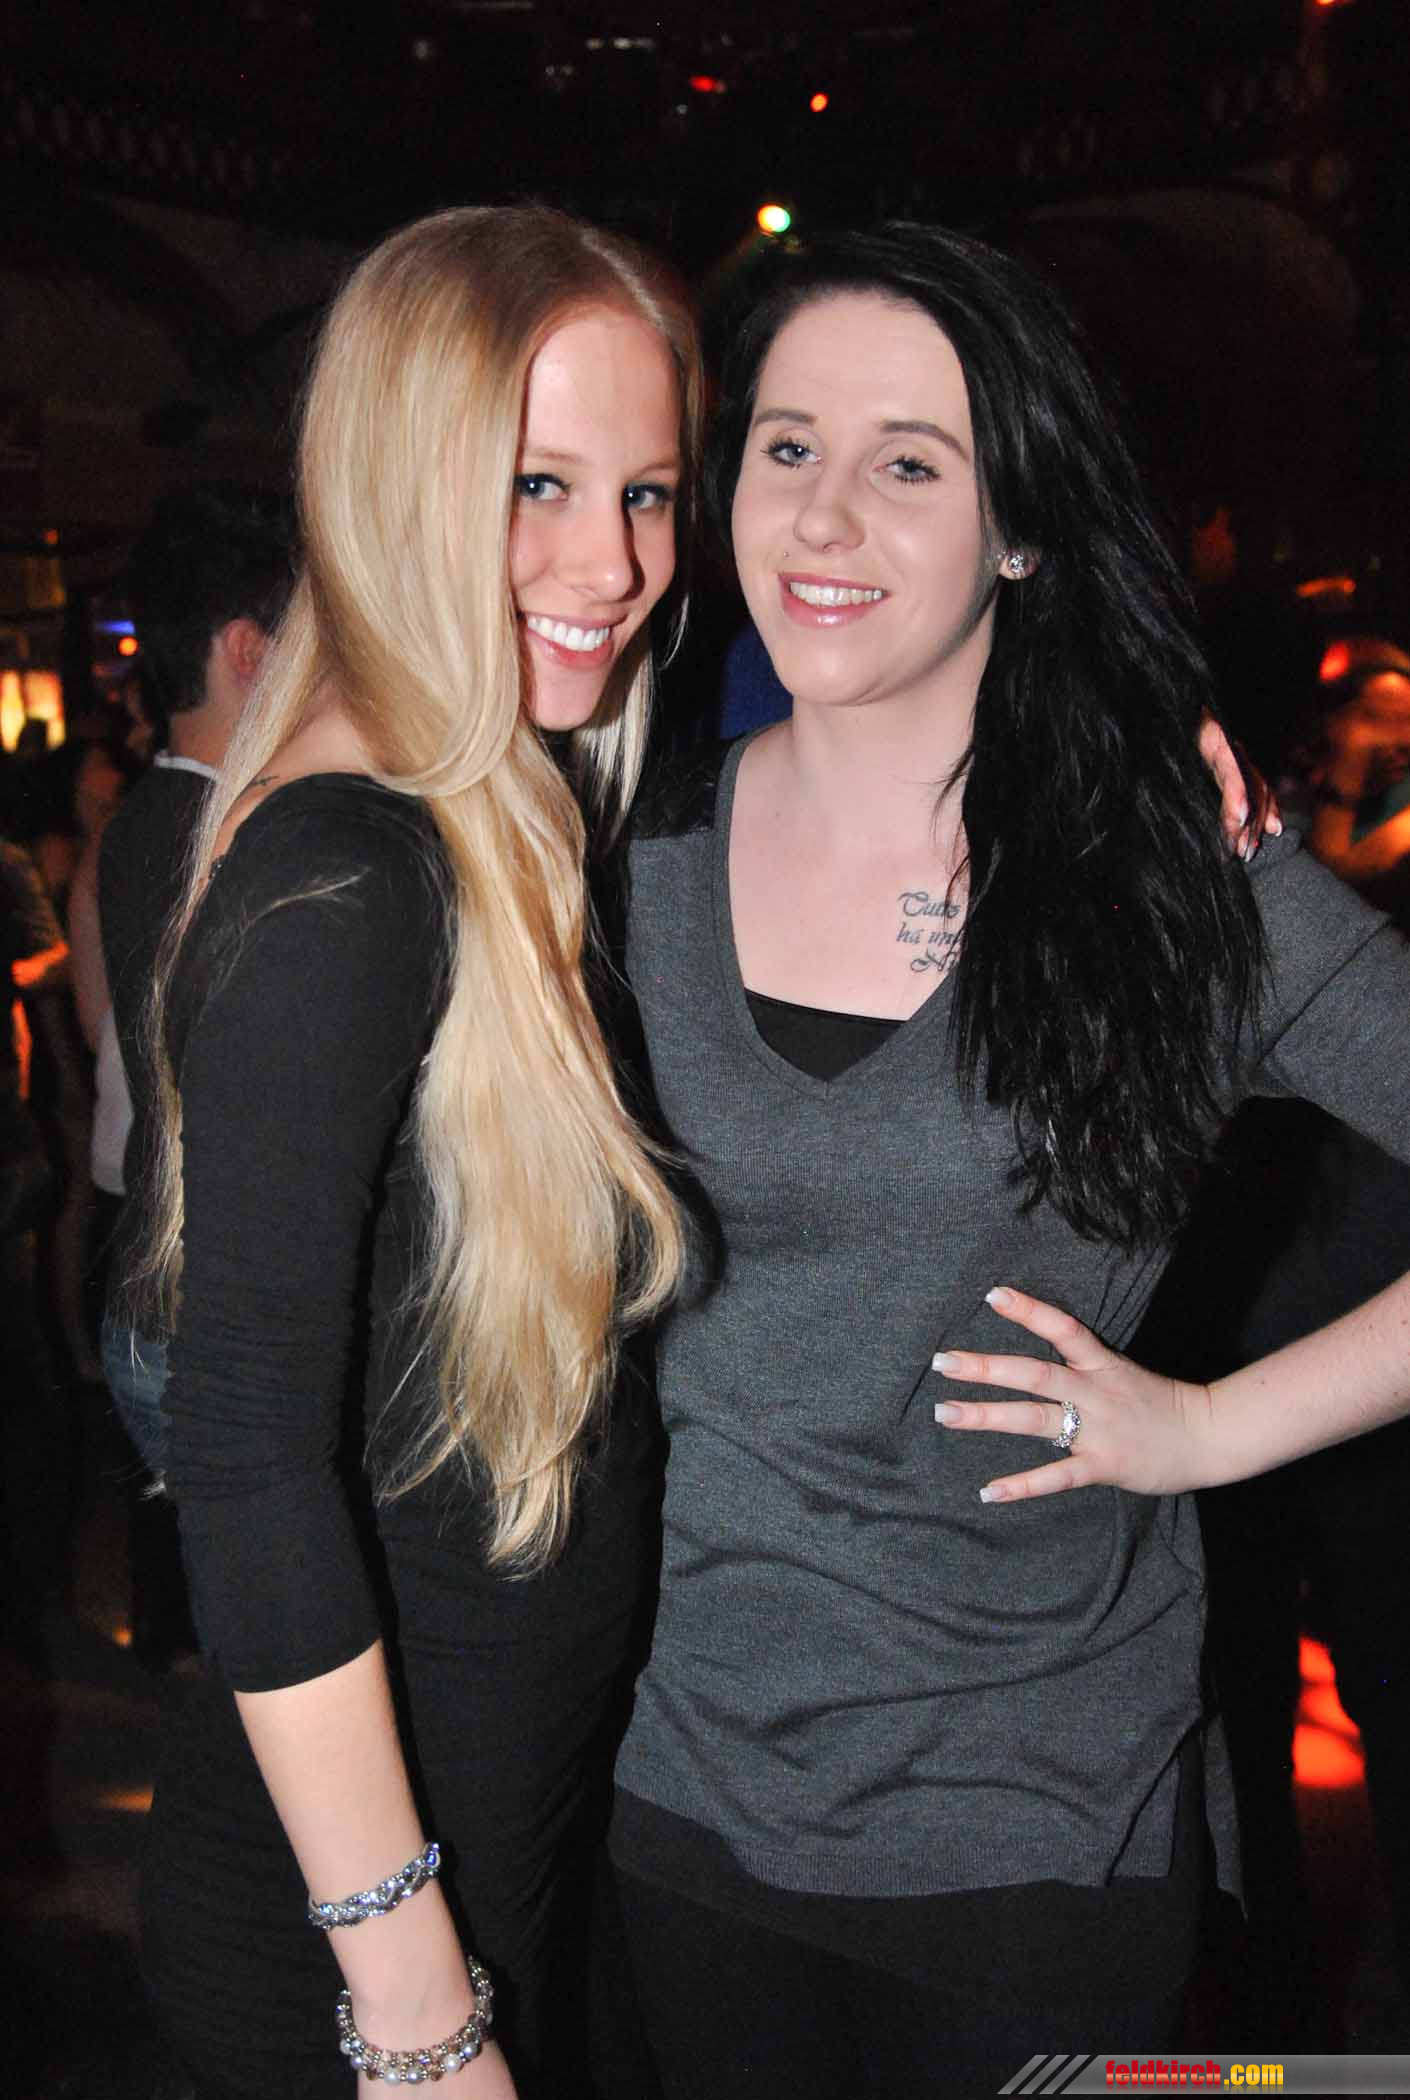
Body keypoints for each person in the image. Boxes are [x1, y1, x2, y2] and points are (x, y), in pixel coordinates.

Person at [607, 222, 1410, 2096]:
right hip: (678, 1780)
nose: (822, 515)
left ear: (1023, 529)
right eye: (786, 446)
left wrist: (1211, 1428)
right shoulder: (623, 852)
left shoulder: (1172, 882)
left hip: (1034, 1819)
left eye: (909, 464)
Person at [132, 205, 698, 2098]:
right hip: (362, 1940)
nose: (610, 564)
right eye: (538, 483)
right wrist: (417, 2013)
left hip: (477, 1844)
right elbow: (243, 1460)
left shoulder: (487, 815)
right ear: (399, 477)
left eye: (644, 492)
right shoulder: (352, 871)